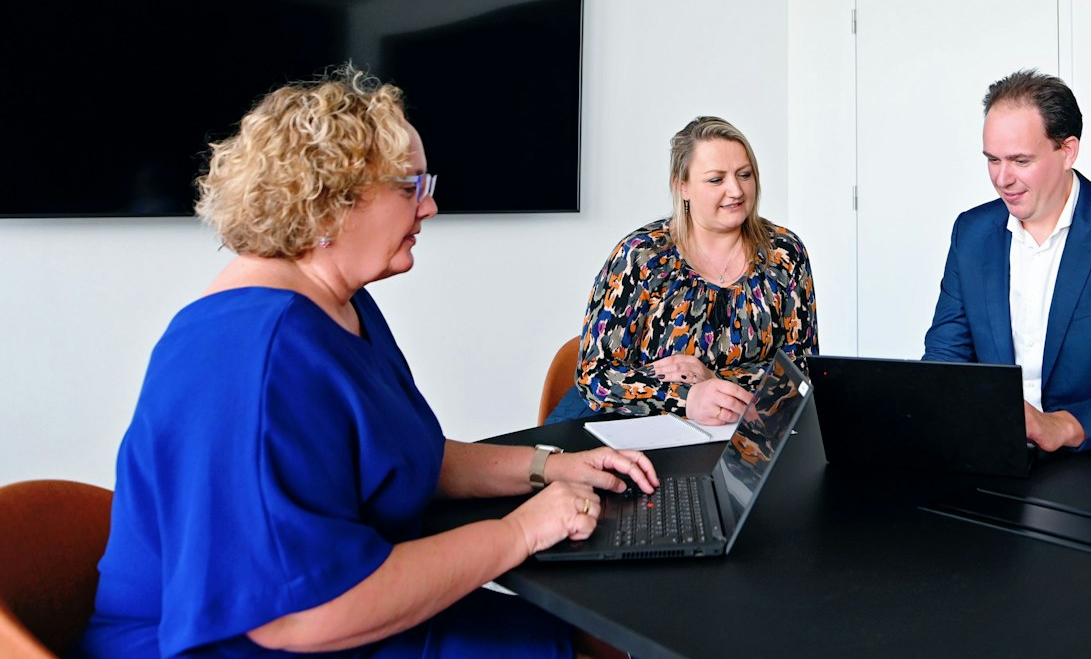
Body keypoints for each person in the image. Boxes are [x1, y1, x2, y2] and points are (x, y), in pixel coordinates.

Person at [76, 68, 657, 659]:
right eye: (409, 187)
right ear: (327, 201)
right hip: (257, 642)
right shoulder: (252, 353)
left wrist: (549, 467)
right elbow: (296, 618)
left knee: (598, 636)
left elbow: (399, 456)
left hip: (341, 608)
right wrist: (521, 531)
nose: (430, 206)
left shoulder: (338, 303)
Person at [923, 69, 1091, 452]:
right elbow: (945, 359)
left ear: (1067, 151)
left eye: (1020, 160)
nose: (1002, 178)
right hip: (1002, 450)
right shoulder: (972, 232)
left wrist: (1057, 426)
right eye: (993, 160)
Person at [548, 116, 817, 427]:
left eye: (745, 175)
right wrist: (687, 398)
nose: (736, 190)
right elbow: (595, 375)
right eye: (716, 180)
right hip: (638, 427)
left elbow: (801, 369)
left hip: (743, 426)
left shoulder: (784, 253)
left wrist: (714, 381)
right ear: (682, 186)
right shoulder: (641, 256)